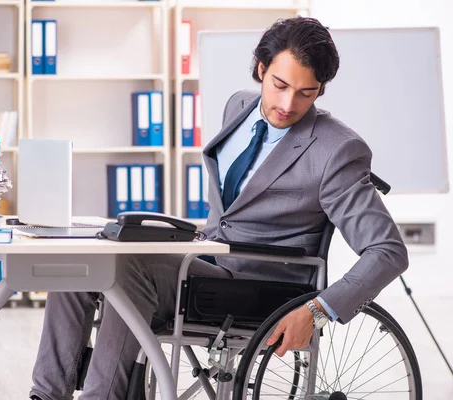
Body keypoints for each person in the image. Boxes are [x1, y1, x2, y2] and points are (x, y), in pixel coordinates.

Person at [30, 16, 408, 400]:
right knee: (81, 259)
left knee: (129, 269)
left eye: (306, 93)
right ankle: (45, 395)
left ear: (320, 90)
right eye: (279, 85)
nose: (287, 104)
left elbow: (388, 252)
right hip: (205, 259)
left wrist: (316, 311)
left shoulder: (336, 150)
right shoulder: (239, 106)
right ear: (261, 69)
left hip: (259, 285)